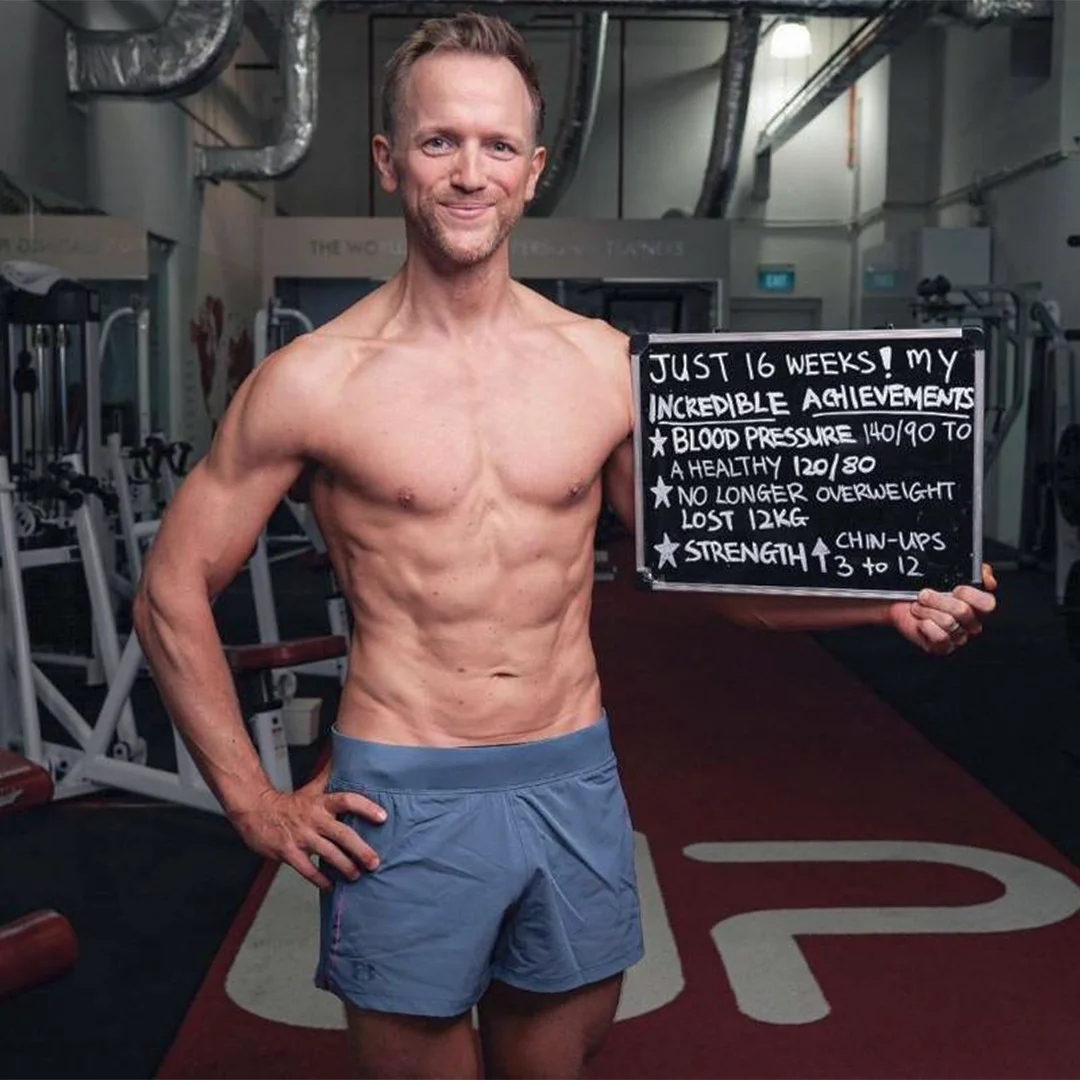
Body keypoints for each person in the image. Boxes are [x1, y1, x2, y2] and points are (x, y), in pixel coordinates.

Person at [133, 12, 998, 1079]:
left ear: (533, 171)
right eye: (440, 141)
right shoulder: (314, 380)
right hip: (405, 784)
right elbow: (172, 588)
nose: (468, 173)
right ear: (388, 160)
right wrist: (255, 803)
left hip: (572, 774)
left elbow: (703, 574)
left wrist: (888, 602)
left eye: (498, 146)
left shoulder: (601, 367)